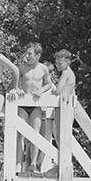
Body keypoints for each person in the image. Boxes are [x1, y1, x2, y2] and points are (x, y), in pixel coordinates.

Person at [16, 42, 54, 173]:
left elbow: (49, 84)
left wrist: (40, 91)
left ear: (37, 55)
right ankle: (19, 164)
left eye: (30, 54)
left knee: (35, 134)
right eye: (26, 53)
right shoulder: (21, 67)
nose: (27, 56)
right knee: (20, 134)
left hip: (35, 105)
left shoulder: (43, 68)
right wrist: (17, 90)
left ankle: (32, 164)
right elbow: (13, 85)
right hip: (23, 104)